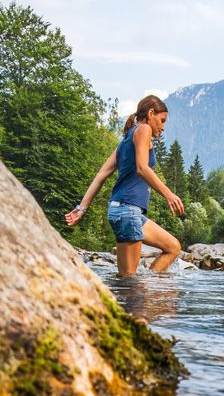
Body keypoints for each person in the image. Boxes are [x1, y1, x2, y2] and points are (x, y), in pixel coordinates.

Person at [65, 95, 184, 274]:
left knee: (173, 247)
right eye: (162, 120)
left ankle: (148, 289)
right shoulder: (144, 129)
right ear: (151, 113)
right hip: (127, 211)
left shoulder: (127, 138)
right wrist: (169, 194)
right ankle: (136, 298)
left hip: (123, 210)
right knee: (129, 281)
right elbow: (142, 168)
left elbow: (101, 174)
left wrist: (81, 208)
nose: (163, 127)